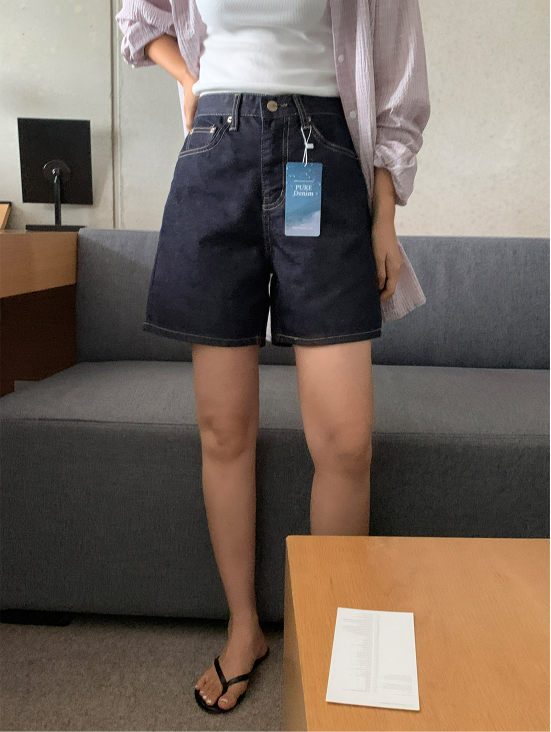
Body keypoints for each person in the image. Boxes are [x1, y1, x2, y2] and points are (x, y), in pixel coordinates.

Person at [116, 0, 430, 714]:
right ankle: (244, 626)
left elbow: (398, 83)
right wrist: (189, 79)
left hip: (321, 153)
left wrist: (384, 217)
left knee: (346, 442)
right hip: (214, 155)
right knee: (224, 429)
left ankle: (331, 629)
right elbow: (139, 15)